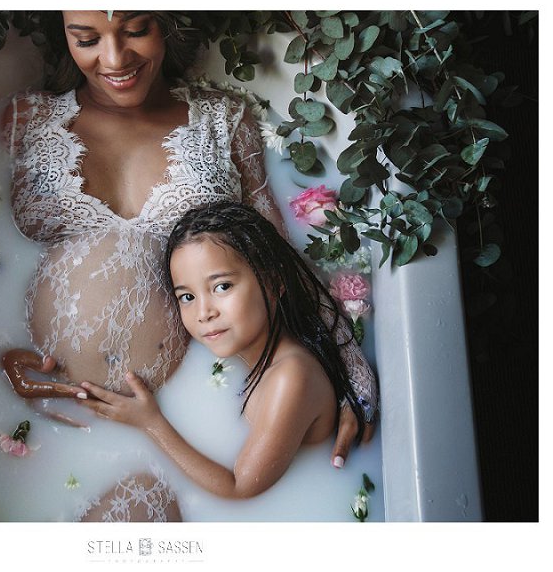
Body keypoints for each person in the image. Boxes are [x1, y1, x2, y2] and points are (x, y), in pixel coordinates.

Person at [0, 11, 377, 519]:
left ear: (171, 24)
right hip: (49, 418)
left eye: (135, 30)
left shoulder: (224, 120)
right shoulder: (26, 119)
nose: (113, 59)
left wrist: (354, 378)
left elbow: (277, 260)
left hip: (186, 416)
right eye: (86, 39)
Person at [76, 201, 371, 499]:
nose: (204, 312)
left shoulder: (291, 377)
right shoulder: (258, 350)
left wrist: (151, 423)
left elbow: (239, 487)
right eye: (188, 296)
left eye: (222, 287)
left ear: (274, 281)